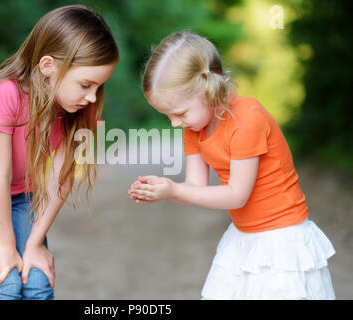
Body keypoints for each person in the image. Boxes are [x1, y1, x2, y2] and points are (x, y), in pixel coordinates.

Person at [128, 31, 335, 300]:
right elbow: (194, 190)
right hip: (244, 237)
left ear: (208, 89)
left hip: (281, 238)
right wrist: (165, 190)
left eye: (179, 113)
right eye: (167, 116)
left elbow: (237, 195)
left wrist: (175, 190)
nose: (175, 123)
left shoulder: (248, 118)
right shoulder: (195, 129)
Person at [0, 4, 118, 300]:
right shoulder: (5, 92)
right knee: (6, 281)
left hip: (22, 191)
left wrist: (35, 244)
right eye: (86, 84)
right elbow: (0, 174)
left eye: (99, 87)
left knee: (37, 279)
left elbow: (61, 179)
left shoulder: (81, 106)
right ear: (48, 66)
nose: (92, 96)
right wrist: (6, 245)